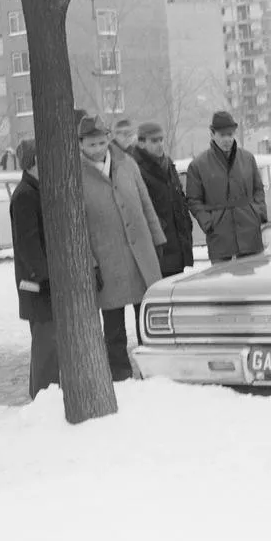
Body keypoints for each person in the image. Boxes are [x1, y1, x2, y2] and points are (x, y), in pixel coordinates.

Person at [79, 114, 166, 379]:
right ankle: (120, 376)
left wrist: (157, 239)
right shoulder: (76, 175)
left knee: (147, 321)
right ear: (80, 144)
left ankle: (153, 373)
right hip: (107, 259)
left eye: (101, 142)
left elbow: (146, 203)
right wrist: (91, 263)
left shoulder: (127, 163)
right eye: (91, 144)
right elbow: (78, 227)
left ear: (108, 139)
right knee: (114, 328)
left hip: (140, 255)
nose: (97, 149)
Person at [8, 137, 60, 399]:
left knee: (49, 344)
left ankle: (43, 395)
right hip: (37, 286)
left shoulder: (37, 189)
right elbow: (27, 244)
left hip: (43, 284)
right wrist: (46, 277)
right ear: (35, 161)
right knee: (45, 346)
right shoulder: (25, 195)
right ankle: (42, 398)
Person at [185, 110, 268, 263]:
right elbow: (193, 200)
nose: (227, 139)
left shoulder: (247, 158)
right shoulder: (198, 165)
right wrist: (208, 223)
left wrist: (258, 213)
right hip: (219, 237)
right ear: (212, 134)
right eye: (222, 135)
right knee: (221, 277)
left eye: (230, 134)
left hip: (249, 233)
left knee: (253, 274)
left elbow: (258, 189)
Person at [130, 122, 194, 280]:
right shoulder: (135, 168)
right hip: (157, 248)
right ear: (141, 143)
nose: (159, 144)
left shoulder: (168, 163)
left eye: (161, 140)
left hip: (177, 246)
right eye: (154, 141)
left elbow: (179, 200)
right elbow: (138, 210)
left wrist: (187, 226)